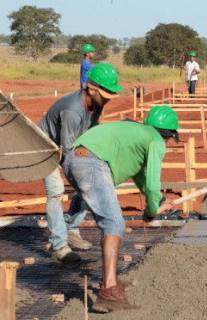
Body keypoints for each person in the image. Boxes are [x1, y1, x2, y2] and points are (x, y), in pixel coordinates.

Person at [63, 106, 179, 312]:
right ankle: (109, 291)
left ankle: (111, 280)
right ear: (169, 134)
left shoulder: (135, 132)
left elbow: (139, 175)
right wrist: (151, 211)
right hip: (91, 162)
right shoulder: (155, 141)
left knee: (110, 222)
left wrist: (159, 201)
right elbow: (152, 182)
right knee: (114, 223)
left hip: (75, 158)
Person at [39, 63, 122, 263]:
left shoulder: (97, 105)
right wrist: (80, 175)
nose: (108, 99)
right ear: (91, 89)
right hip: (47, 146)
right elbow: (67, 151)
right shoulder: (73, 110)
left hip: (71, 145)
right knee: (56, 191)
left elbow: (91, 133)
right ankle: (60, 246)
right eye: (105, 94)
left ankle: (71, 230)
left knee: (88, 183)